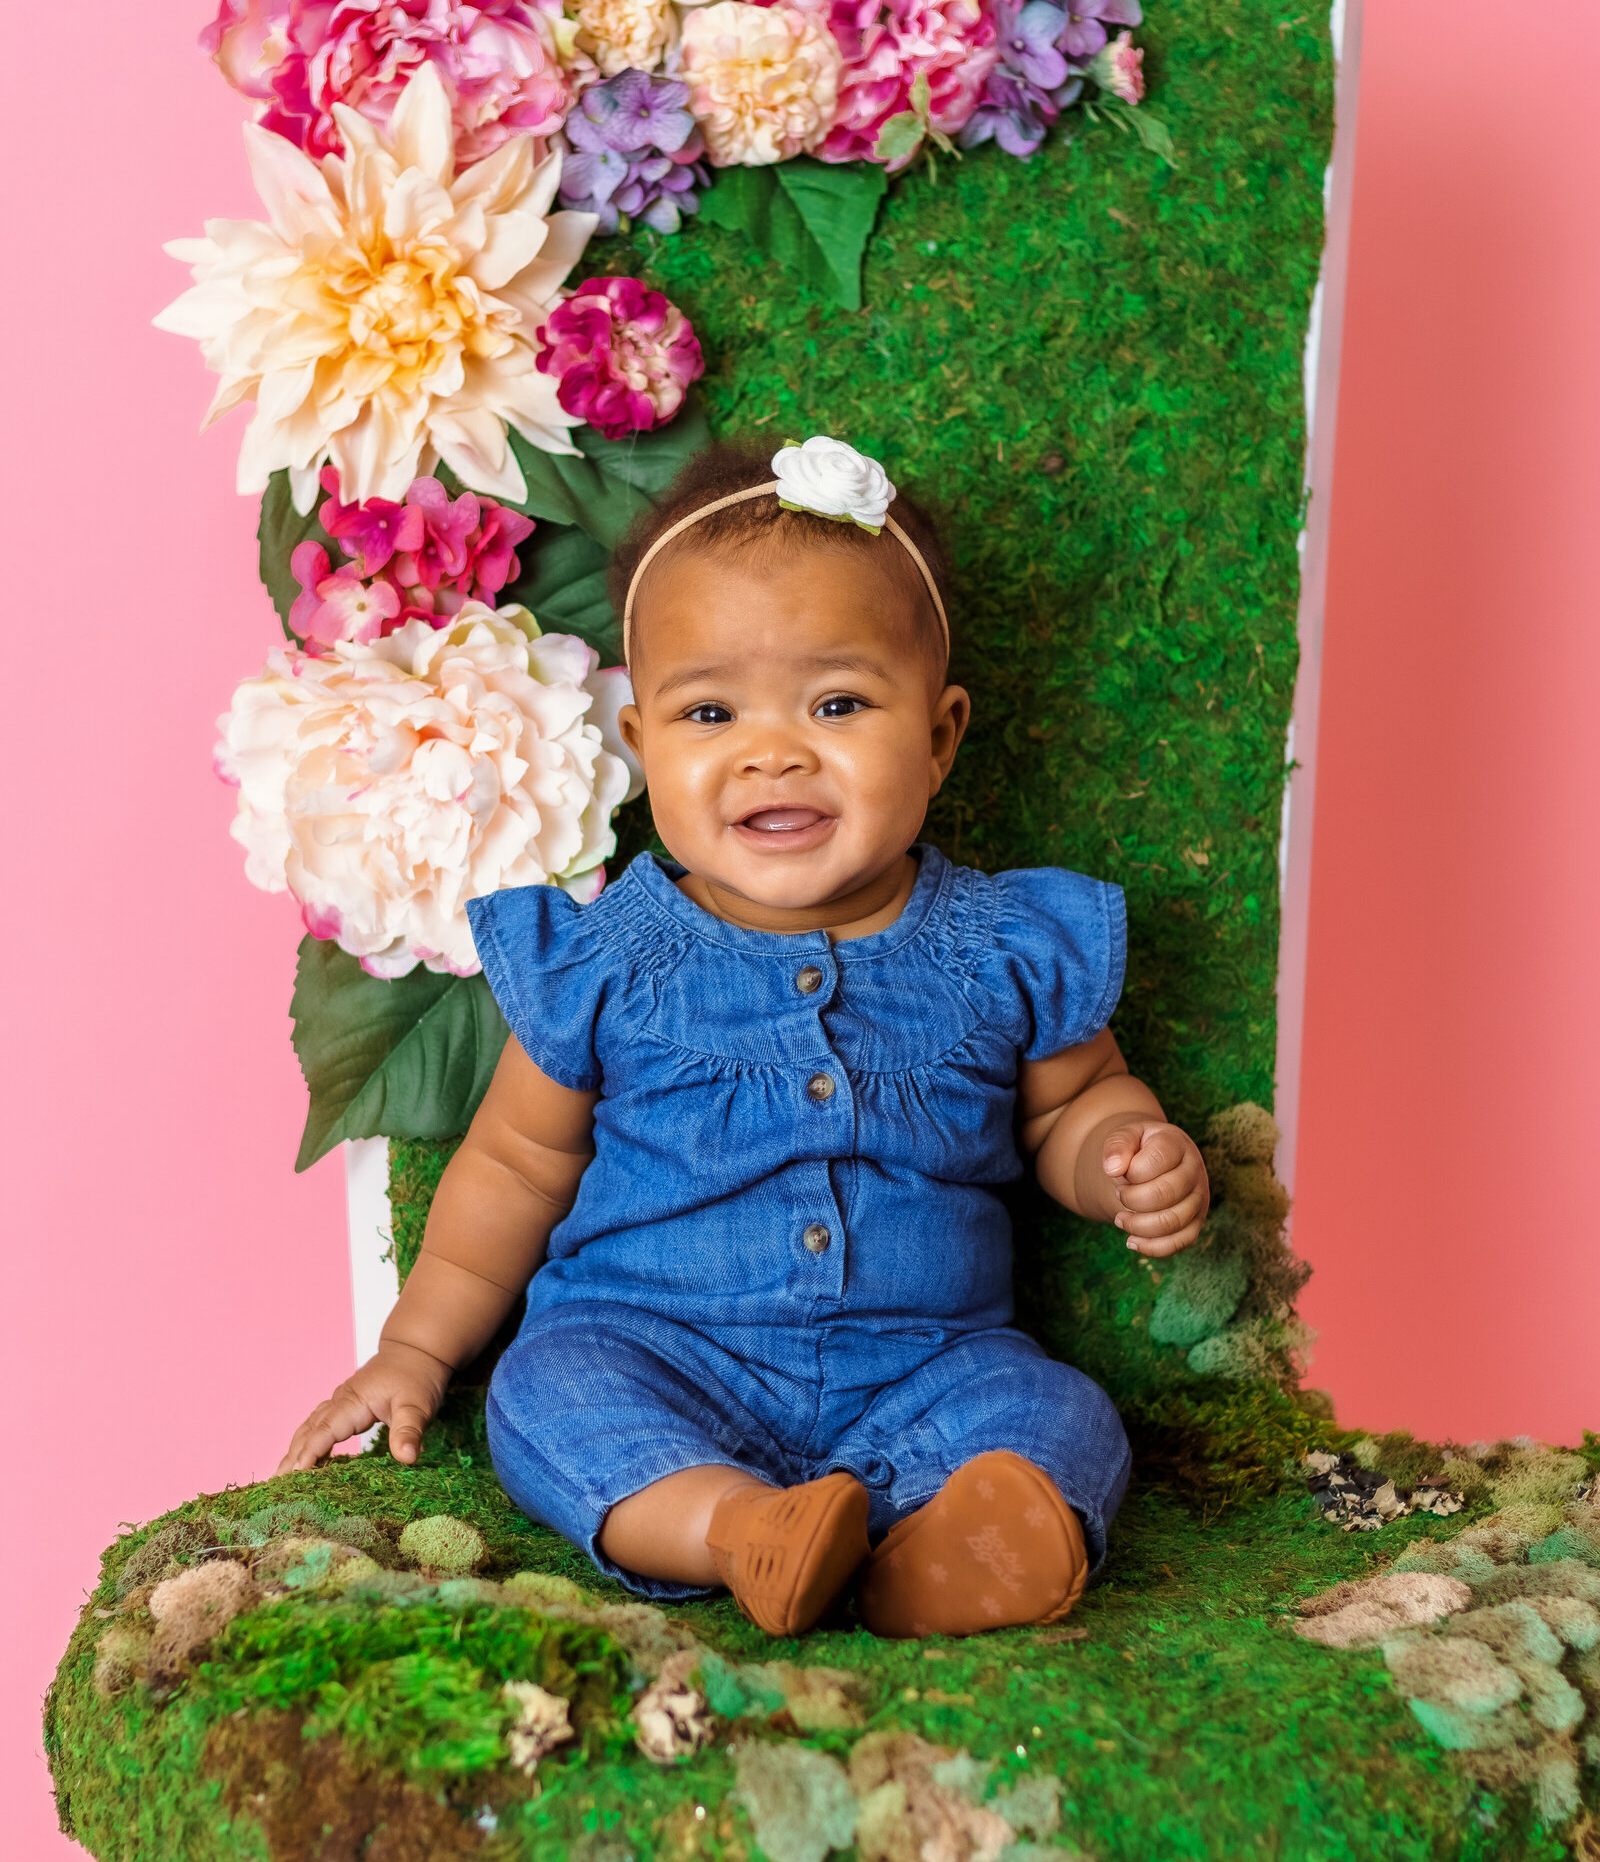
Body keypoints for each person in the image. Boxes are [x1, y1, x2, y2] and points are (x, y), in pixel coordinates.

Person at [281, 435, 1210, 1639]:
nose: (773, 750)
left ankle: (940, 1547)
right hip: (658, 1356)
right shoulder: (610, 955)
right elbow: (514, 1165)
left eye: (836, 703)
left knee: (1060, 1412)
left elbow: (1071, 1107)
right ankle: (739, 1531)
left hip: (925, 1366)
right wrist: (414, 1349)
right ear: (639, 740)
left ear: (938, 734)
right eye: (710, 709)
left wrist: (1127, 1153)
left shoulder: (1000, 943)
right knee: (548, 1396)